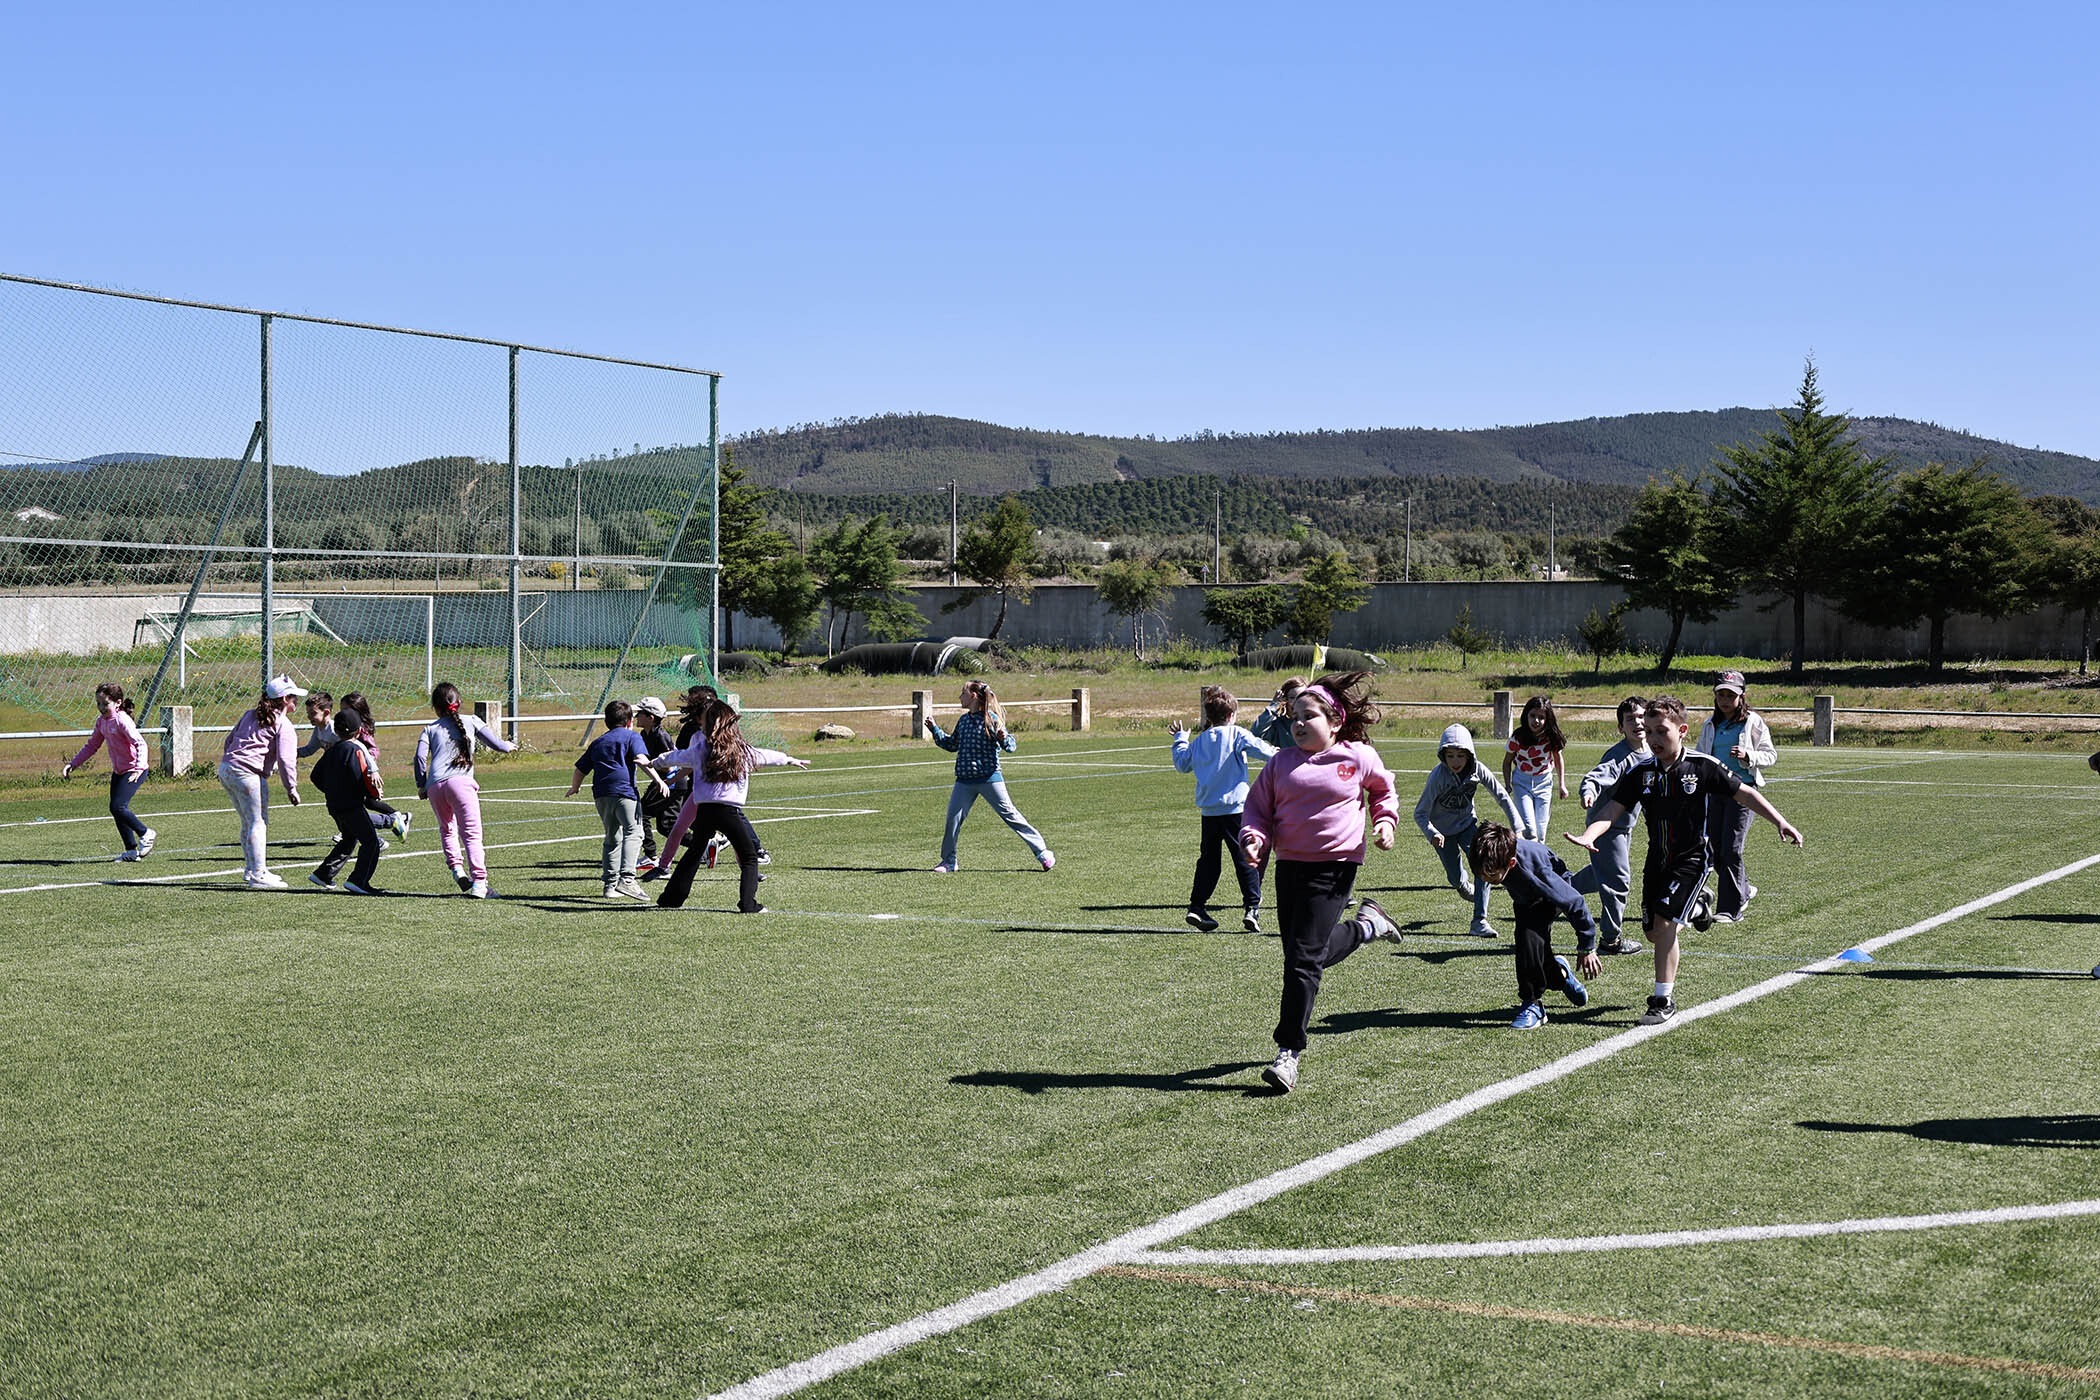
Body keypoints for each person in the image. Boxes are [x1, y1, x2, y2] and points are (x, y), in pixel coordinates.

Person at [1568, 694, 1804, 1025]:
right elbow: (1612, 809)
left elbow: (1745, 793)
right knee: (1653, 933)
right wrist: (1590, 835)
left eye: (1661, 731)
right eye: (1649, 731)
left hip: (1693, 859)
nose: (1653, 738)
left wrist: (1780, 821)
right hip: (1657, 861)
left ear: (1682, 731)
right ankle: (1697, 907)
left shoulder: (1702, 766)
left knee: (1665, 925)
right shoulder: (1641, 772)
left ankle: (1662, 1000)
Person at [1240, 671, 1402, 1094]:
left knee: (1302, 961)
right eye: (1294, 716)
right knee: (1303, 956)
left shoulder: (1357, 756)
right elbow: (1257, 809)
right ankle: (1367, 926)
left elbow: (1383, 791)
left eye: (1308, 716)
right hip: (1289, 867)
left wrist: (1385, 821)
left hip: (1335, 868)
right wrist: (1254, 838)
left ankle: (1288, 1053)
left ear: (1334, 721)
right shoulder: (1280, 763)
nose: (1298, 723)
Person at [649, 697, 810, 913]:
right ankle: (748, 904)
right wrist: (788, 759)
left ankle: (671, 899)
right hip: (728, 812)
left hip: (704, 810)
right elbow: (765, 756)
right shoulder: (742, 750)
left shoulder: (701, 749)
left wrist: (654, 762)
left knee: (694, 854)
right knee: (749, 857)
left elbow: (676, 756)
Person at [1170, 685, 1278, 933]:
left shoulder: (1199, 741)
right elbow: (1264, 751)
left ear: (1209, 717)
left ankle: (1197, 906)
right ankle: (1252, 908)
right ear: (1231, 715)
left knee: (1208, 862)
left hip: (1209, 813)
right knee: (1245, 859)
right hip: (1236, 810)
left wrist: (1180, 739)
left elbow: (1182, 764)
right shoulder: (1237, 734)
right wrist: (1281, 754)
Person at [1471, 823, 1596, 1029]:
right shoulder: (1489, 853)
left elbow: (1574, 902)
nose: (1485, 879)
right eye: (1481, 874)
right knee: (1536, 950)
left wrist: (1586, 946)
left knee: (1527, 937)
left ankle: (1533, 1004)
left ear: (1511, 863)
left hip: (1549, 894)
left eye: (1491, 875)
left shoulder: (1535, 870)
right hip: (1525, 897)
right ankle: (1560, 975)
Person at [1413, 723, 1528, 939]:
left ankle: (1479, 921)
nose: (1455, 761)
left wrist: (1518, 828)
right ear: (1443, 756)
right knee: (1455, 878)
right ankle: (1462, 885)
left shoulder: (1477, 770)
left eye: (1460, 756)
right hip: (1443, 835)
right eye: (1450, 756)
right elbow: (1419, 813)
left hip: (1467, 826)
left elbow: (1502, 796)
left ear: (1469, 755)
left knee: (1484, 863)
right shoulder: (1438, 777)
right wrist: (1432, 833)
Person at [927, 680, 1053, 872]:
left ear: (973, 696)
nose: (960, 697)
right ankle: (949, 861)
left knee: (1011, 815)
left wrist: (1003, 738)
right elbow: (952, 744)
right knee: (952, 819)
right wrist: (935, 730)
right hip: (964, 781)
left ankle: (1042, 852)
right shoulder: (963, 721)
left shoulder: (992, 719)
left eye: (963, 693)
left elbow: (1011, 746)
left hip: (989, 779)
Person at [413, 682, 515, 899]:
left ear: (435, 708)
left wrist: (422, 785)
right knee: (471, 835)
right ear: (458, 702)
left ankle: (457, 870)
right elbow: (497, 744)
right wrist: (509, 746)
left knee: (447, 829)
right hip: (461, 783)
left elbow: (420, 758)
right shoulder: (472, 720)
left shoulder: (429, 728)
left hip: (435, 785)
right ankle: (479, 883)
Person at [1567, 696, 1650, 957]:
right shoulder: (1620, 755)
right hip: (1606, 828)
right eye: (1630, 719)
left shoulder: (1651, 751)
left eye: (1641, 716)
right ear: (1620, 727)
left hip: (1624, 827)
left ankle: (1556, 891)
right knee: (1618, 881)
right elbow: (1596, 776)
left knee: (1600, 874)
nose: (1637, 722)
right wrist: (1588, 792)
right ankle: (1610, 940)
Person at [1698, 671, 1778, 923]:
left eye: (1730, 695)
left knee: (1732, 848)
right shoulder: (1710, 724)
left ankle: (1731, 909)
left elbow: (1770, 755)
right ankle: (1743, 888)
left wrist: (1748, 756)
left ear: (1741, 696)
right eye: (1720, 694)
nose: (1725, 700)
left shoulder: (1753, 722)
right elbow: (1700, 756)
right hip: (1715, 792)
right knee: (1716, 849)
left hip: (1743, 792)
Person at [218, 676, 305, 889]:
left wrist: (233, 761)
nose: (296, 700)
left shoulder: (249, 714)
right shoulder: (283, 723)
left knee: (248, 821)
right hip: (247, 774)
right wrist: (291, 787)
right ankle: (258, 874)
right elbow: (286, 759)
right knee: (258, 822)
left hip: (227, 769)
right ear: (284, 699)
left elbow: (229, 741)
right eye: (293, 696)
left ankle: (251, 869)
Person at [568, 700, 653, 900]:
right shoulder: (632, 737)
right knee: (634, 832)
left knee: (612, 837)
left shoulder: (598, 742)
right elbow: (641, 759)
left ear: (606, 721)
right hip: (625, 793)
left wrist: (575, 787)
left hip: (601, 795)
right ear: (629, 721)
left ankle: (610, 885)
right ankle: (628, 879)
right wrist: (658, 779)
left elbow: (580, 770)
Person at [62, 682, 155, 861]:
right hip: (119, 771)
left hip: (134, 770)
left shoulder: (122, 720)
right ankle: (131, 851)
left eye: (105, 704)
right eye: (98, 703)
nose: (101, 707)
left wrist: (138, 767)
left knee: (117, 807)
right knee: (117, 810)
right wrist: (73, 764)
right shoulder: (101, 722)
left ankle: (145, 833)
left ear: (118, 703)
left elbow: (140, 743)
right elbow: (92, 746)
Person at [309, 709, 386, 895]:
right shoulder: (355, 750)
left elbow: (315, 776)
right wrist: (372, 793)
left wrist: (331, 791)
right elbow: (359, 776)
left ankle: (324, 874)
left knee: (349, 839)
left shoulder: (331, 750)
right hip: (351, 805)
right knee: (371, 842)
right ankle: (358, 881)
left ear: (336, 731)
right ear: (359, 731)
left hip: (334, 805)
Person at [339, 692, 411, 842]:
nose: (342, 713)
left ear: (357, 710)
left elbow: (372, 749)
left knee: (360, 802)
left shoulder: (361, 729)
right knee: (368, 802)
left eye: (345, 709)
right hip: (356, 769)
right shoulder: (349, 726)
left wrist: (370, 769)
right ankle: (400, 816)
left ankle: (394, 819)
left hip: (364, 769)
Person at [1502, 694, 1567, 841]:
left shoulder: (1551, 737)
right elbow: (1507, 762)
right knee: (1529, 830)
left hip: (1544, 783)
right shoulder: (1518, 737)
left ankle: (1538, 854)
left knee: (1541, 832)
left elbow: (1558, 759)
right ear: (1526, 715)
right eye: (1532, 716)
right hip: (1522, 783)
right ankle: (1527, 854)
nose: (1536, 721)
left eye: (1541, 717)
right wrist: (1507, 784)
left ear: (1547, 719)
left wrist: (1561, 785)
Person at [632, 696, 677, 871]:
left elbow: (669, 766)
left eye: (640, 713)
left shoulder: (661, 736)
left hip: (671, 781)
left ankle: (651, 856)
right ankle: (704, 846)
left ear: (651, 717)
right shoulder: (644, 734)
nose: (636, 716)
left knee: (641, 813)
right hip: (663, 780)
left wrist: (650, 763)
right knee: (666, 826)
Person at [1248, 677, 1309, 748]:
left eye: (1301, 697)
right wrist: (1274, 706)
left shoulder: (1312, 722)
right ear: (1285, 699)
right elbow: (1254, 734)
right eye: (1292, 697)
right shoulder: (1278, 724)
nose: (1296, 702)